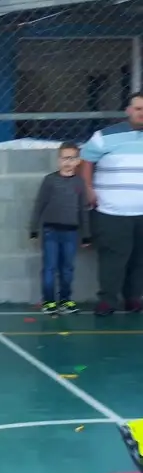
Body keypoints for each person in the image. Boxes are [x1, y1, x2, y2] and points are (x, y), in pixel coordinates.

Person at [81, 93, 143, 316]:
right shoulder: (104, 136)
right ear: (128, 110)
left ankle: (134, 299)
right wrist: (88, 188)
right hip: (111, 212)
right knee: (113, 259)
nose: (142, 113)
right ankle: (107, 301)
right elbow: (86, 161)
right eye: (138, 108)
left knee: (139, 259)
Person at [29, 142, 91, 315]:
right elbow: (39, 204)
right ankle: (49, 301)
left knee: (67, 268)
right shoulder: (50, 180)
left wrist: (86, 235)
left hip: (71, 233)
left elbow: (83, 209)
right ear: (58, 160)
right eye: (64, 158)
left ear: (77, 161)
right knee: (50, 267)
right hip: (51, 231)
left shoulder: (79, 183)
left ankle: (65, 300)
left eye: (72, 158)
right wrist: (34, 228)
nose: (67, 162)